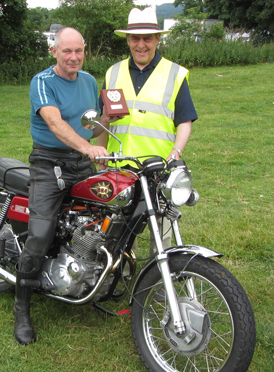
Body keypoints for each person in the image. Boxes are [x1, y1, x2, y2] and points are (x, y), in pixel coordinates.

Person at [14, 27, 110, 345]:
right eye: (66, 51)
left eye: (78, 51)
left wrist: (108, 126)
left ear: (85, 51)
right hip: (48, 163)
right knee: (40, 234)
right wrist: (87, 148)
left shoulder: (89, 81)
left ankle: (90, 280)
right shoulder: (42, 82)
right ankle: (22, 309)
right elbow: (55, 123)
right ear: (54, 51)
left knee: (103, 220)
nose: (73, 57)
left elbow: (95, 125)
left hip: (81, 163)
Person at [98, 7, 198, 254]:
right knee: (116, 230)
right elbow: (104, 120)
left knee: (160, 231)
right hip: (119, 167)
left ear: (157, 39)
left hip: (158, 168)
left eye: (147, 38)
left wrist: (175, 153)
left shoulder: (174, 74)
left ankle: (158, 284)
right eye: (135, 38)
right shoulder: (113, 72)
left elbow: (185, 120)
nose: (141, 44)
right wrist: (100, 153)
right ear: (127, 40)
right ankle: (119, 274)